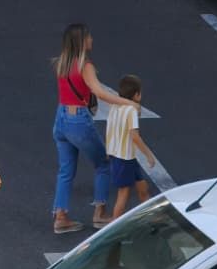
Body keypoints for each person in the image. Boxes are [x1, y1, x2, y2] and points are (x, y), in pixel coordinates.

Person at [52, 23, 137, 234]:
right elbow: (99, 92)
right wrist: (127, 102)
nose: (92, 39)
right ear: (81, 41)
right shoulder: (85, 65)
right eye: (88, 36)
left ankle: (60, 217)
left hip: (61, 118)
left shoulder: (62, 62)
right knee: (103, 163)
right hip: (78, 120)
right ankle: (100, 213)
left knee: (65, 170)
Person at [105, 74, 158, 219]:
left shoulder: (115, 106)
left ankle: (152, 217)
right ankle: (114, 225)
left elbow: (110, 129)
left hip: (124, 157)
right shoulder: (131, 110)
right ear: (136, 94)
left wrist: (108, 150)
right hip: (124, 158)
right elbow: (135, 136)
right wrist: (149, 155)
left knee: (142, 187)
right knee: (123, 194)